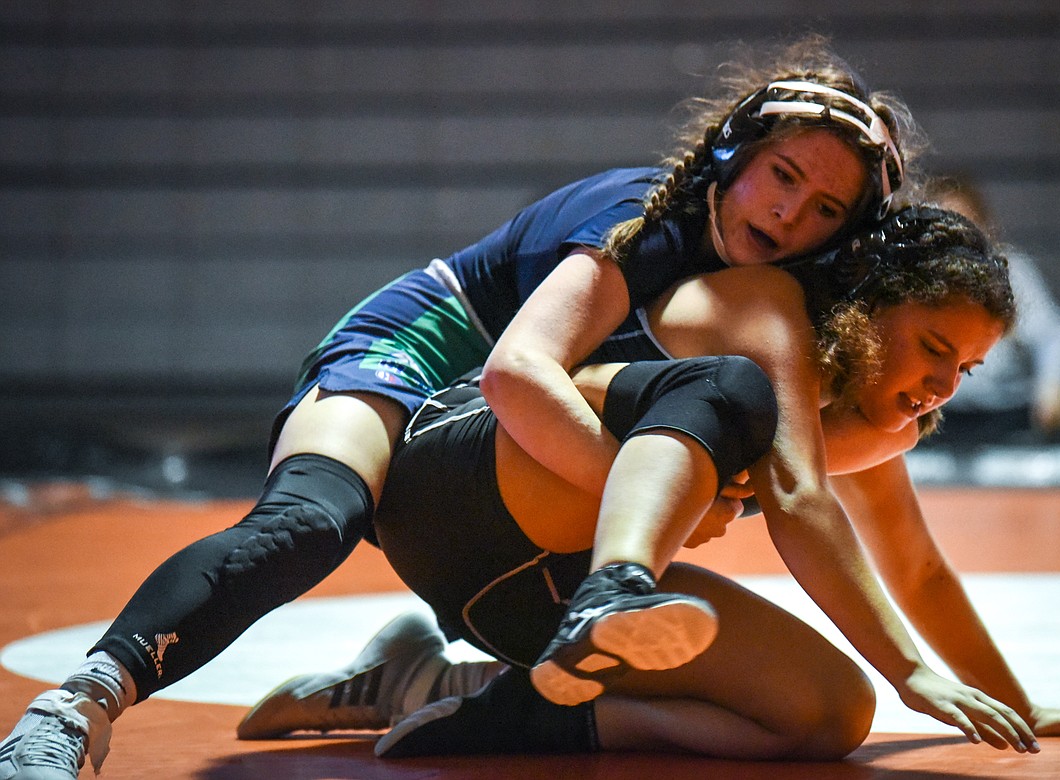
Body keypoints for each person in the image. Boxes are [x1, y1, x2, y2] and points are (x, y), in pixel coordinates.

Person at [0, 35, 923, 779]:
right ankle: (76, 708)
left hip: (498, 471)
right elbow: (517, 371)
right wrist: (648, 504)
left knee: (799, 689)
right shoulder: (638, 217)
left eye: (825, 210)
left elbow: (815, 481)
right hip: (415, 363)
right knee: (313, 520)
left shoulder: (769, 303)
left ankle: (424, 682)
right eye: (783, 177)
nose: (790, 217)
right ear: (735, 153)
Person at [238, 206, 1060, 761]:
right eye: (935, 348)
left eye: (966, 370)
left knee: (826, 716)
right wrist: (912, 674)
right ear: (869, 309)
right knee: (724, 401)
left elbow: (918, 569)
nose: (944, 386)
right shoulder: (767, 310)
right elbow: (799, 500)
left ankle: (450, 694)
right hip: (462, 481)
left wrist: (1016, 702)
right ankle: (606, 594)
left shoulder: (859, 417)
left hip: (533, 578)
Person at [925, 173, 1060, 438]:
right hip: (930, 421)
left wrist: (1053, 383)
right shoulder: (911, 278)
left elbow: (1054, 335)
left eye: (963, 225)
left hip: (1002, 418)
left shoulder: (1007, 271)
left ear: (982, 226)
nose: (954, 240)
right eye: (943, 227)